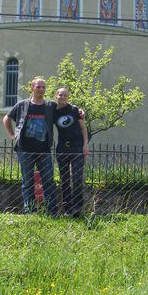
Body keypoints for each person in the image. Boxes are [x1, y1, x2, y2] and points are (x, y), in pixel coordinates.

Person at [3, 76, 58, 215]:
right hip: (25, 150)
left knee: (49, 181)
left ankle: (51, 211)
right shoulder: (22, 105)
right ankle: (30, 211)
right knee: (27, 182)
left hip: (44, 150)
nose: (41, 89)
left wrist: (78, 111)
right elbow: (6, 119)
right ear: (32, 88)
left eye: (43, 87)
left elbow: (64, 110)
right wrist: (12, 136)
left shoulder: (50, 106)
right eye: (38, 86)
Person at [54, 87, 88, 216]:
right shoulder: (53, 111)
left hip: (77, 147)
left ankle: (77, 208)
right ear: (56, 96)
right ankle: (67, 208)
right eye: (60, 95)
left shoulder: (75, 110)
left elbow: (83, 128)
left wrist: (85, 145)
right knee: (64, 179)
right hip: (62, 148)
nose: (62, 97)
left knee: (77, 178)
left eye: (65, 95)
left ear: (68, 97)